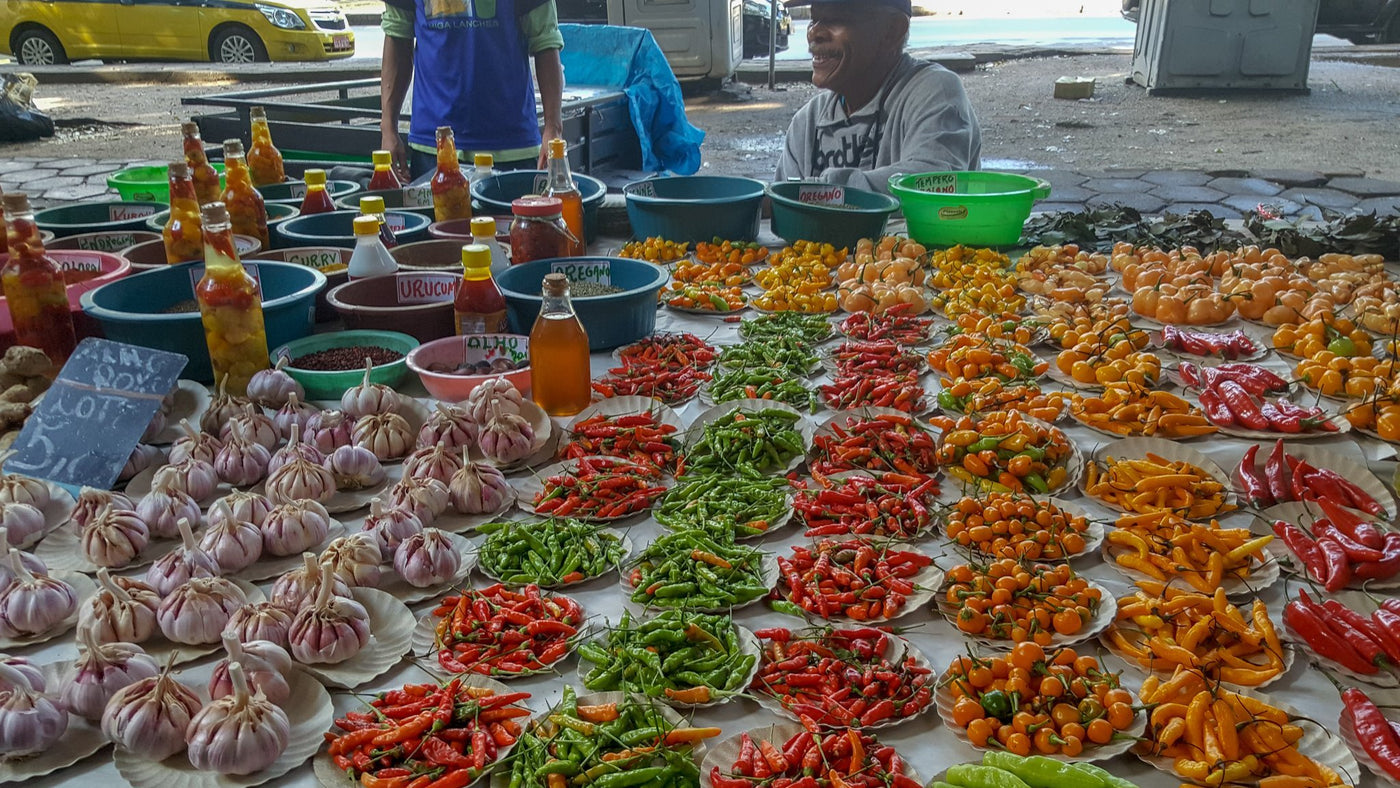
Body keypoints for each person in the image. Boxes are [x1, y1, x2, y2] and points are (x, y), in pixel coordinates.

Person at [774, 0, 981, 194]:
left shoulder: (935, 92)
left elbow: (935, 183)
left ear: (892, 31)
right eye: (813, 20)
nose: (814, 33)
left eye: (836, 19)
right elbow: (784, 204)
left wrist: (815, 193)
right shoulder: (808, 121)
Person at [380, 0, 565, 180]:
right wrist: (388, 128)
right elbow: (397, 35)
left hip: (512, 148)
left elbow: (546, 41)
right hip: (433, 148)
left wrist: (553, 129)